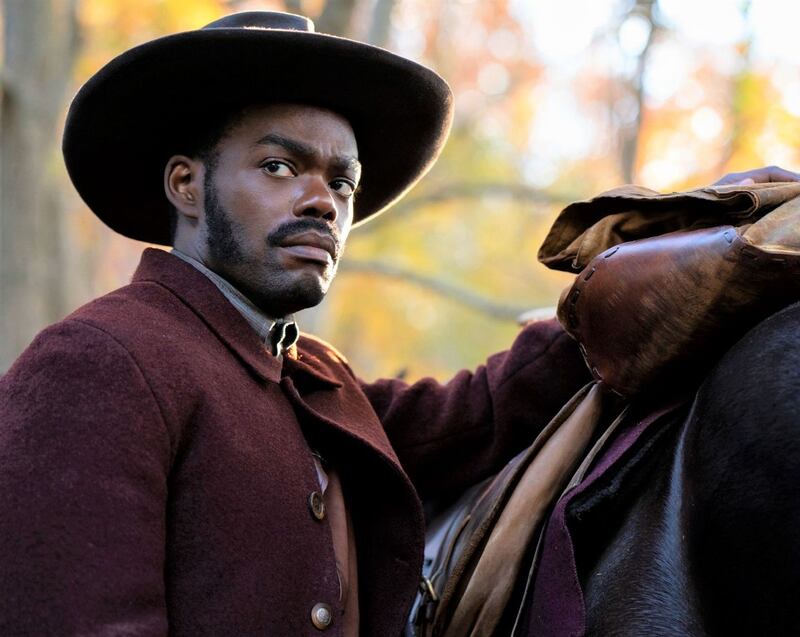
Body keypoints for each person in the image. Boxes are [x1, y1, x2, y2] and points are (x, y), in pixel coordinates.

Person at [0, 10, 793, 637]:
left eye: (341, 183)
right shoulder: (98, 359)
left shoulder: (315, 381)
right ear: (185, 184)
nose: (322, 201)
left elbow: (477, 415)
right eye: (280, 167)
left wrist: (655, 269)